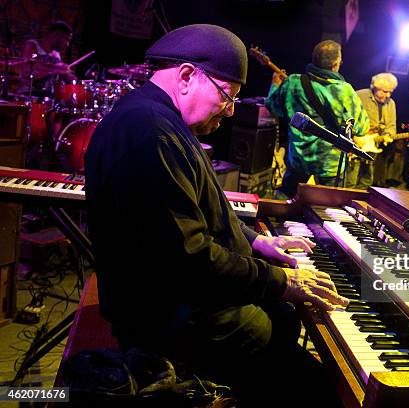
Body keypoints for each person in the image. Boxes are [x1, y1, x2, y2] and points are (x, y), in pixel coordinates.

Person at [84, 25, 347, 406]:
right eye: (228, 96)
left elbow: (207, 205)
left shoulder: (161, 118)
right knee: (319, 388)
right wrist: (280, 280)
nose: (229, 111)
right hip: (166, 320)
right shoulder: (150, 133)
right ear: (188, 76)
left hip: (176, 301)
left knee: (284, 318)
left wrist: (261, 242)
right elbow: (188, 260)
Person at [265, 40, 369, 198]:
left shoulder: (293, 82)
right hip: (329, 165)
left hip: (298, 160)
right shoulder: (345, 91)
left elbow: (273, 107)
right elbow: (361, 127)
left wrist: (275, 85)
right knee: (328, 212)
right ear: (335, 64)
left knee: (284, 203)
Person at [346, 72, 398, 189]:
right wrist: (353, 137)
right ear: (375, 87)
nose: (388, 95)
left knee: (366, 182)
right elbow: (347, 118)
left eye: (391, 92)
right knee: (350, 181)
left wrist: (388, 135)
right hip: (354, 145)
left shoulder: (391, 104)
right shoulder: (360, 95)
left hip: (373, 148)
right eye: (385, 91)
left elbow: (391, 125)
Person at [18, 21, 75, 95]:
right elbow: (31, 67)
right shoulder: (31, 45)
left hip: (47, 95)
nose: (67, 44)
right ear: (56, 35)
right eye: (66, 39)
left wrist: (67, 75)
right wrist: (56, 68)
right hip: (27, 93)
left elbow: (57, 75)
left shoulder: (56, 54)